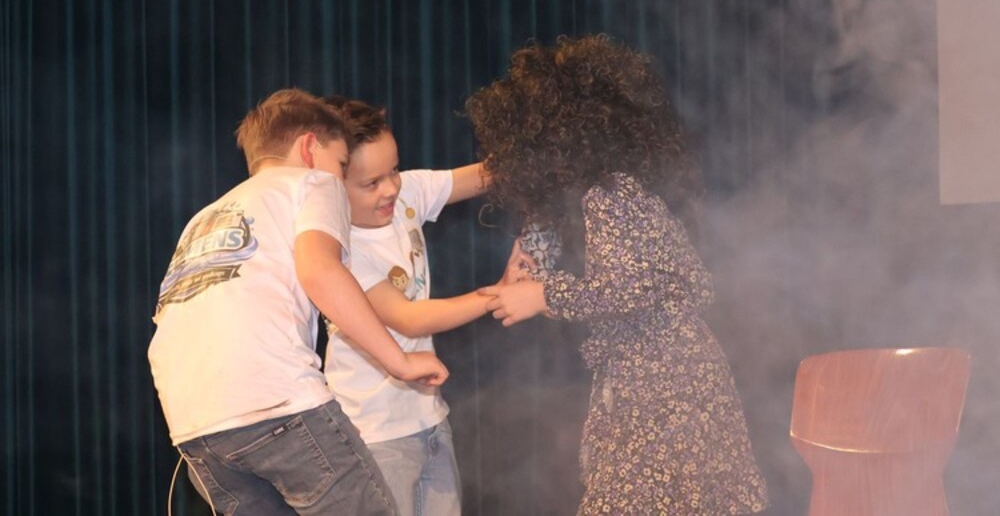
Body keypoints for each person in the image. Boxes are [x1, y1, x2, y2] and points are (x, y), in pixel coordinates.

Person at [466, 35, 770, 515]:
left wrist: (545, 295)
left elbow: (634, 285)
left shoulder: (609, 197)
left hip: (666, 387)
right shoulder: (604, 194)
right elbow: (556, 258)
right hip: (658, 380)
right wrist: (531, 249)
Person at [148, 88, 448, 515]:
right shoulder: (312, 183)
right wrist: (399, 361)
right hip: (275, 402)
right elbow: (320, 270)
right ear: (309, 148)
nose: (339, 179)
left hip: (194, 426)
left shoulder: (204, 218)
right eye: (341, 164)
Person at [321, 96, 494, 516]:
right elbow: (409, 318)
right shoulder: (339, 250)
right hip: (375, 434)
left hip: (430, 419)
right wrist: (497, 295)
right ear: (331, 188)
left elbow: (484, 177)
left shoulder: (405, 195)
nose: (391, 189)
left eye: (394, 170)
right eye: (371, 183)